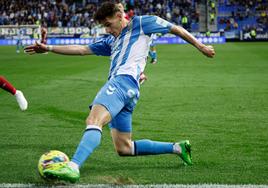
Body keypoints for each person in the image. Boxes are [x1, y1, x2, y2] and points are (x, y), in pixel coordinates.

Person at [24, 2, 215, 183]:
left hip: (122, 83)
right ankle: (177, 148)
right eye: (104, 26)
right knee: (124, 147)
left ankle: (73, 166)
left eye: (108, 24)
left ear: (119, 16)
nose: (107, 29)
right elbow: (82, 49)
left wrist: (201, 46)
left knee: (94, 120)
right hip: (131, 90)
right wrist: (48, 48)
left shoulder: (141, 23)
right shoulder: (110, 40)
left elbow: (176, 28)